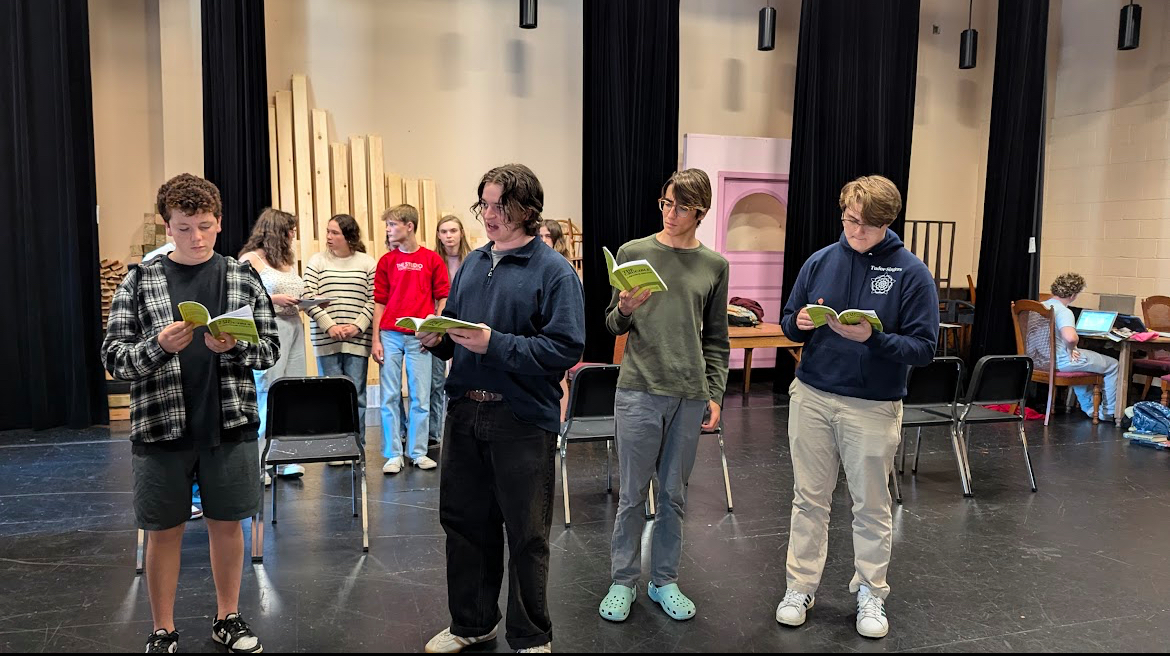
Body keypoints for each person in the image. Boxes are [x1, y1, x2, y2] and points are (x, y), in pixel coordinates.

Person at [101, 173, 278, 654]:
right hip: (161, 427)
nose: (195, 237)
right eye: (183, 228)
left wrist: (234, 346)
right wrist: (157, 347)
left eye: (204, 226)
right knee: (163, 531)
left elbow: (268, 351)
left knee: (228, 525)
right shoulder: (140, 280)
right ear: (167, 227)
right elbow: (114, 357)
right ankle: (163, 628)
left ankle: (229, 617)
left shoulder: (243, 277)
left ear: (219, 222)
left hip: (230, 423)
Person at [419, 164, 584, 654]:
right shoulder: (472, 263)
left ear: (527, 211)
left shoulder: (554, 272)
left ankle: (531, 635)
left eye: (499, 206)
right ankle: (472, 624)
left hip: (521, 417)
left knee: (527, 533)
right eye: (483, 205)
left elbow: (564, 349)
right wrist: (437, 340)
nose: (488, 215)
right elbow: (459, 340)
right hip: (465, 412)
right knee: (465, 525)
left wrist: (496, 344)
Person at [775, 175, 939, 639]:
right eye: (849, 220)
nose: (855, 230)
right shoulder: (820, 260)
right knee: (808, 499)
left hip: (871, 406)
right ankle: (799, 587)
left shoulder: (911, 272)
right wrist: (801, 322)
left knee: (870, 505)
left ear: (886, 223)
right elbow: (789, 322)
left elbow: (924, 348)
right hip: (812, 397)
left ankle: (871, 591)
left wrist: (877, 338)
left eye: (866, 224)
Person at [597, 169, 729, 623]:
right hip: (639, 388)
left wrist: (716, 392)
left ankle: (664, 580)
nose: (671, 214)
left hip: (690, 393)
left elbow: (716, 337)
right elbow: (612, 324)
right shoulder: (634, 253)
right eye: (666, 203)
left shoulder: (714, 266)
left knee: (673, 494)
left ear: (700, 212)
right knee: (633, 494)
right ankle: (623, 580)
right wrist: (626, 308)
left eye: (681, 207)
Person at [372, 204, 449, 474]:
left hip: (420, 337)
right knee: (390, 395)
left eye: (392, 225)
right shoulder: (386, 261)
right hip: (390, 335)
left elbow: (443, 297)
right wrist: (376, 340)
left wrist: (435, 330)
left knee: (421, 396)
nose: (389, 230)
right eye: (388, 226)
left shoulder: (431, 260)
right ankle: (393, 453)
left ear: (409, 226)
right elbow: (379, 303)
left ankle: (417, 452)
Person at [239, 209, 307, 482]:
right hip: (268, 328)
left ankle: (285, 458)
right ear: (276, 230)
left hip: (294, 326)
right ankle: (259, 462)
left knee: (291, 391)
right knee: (268, 391)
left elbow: (295, 292)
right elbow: (241, 300)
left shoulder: (286, 260)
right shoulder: (251, 260)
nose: (293, 235)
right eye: (290, 229)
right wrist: (274, 300)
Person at [304, 214, 377, 455]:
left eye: (334, 232)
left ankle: (357, 447)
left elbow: (375, 299)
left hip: (358, 340)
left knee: (357, 394)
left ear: (349, 236)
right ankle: (335, 449)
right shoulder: (317, 261)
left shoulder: (367, 262)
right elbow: (308, 297)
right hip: (327, 340)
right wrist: (329, 326)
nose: (328, 237)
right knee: (331, 396)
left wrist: (357, 326)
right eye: (327, 231)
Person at [1041, 273, 1119, 421]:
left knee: (1082, 364)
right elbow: (1070, 338)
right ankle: (1109, 412)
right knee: (1114, 365)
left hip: (1042, 361)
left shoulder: (1040, 307)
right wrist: (1071, 349)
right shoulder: (1064, 311)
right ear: (1073, 295)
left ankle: (1090, 407)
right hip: (1062, 361)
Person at [426, 215, 472, 449]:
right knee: (436, 380)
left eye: (453, 230)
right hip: (439, 323)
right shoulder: (433, 261)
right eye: (444, 231)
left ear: (461, 232)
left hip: (464, 323)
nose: (449, 236)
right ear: (438, 235)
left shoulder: (472, 259)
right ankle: (434, 432)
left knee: (460, 372)